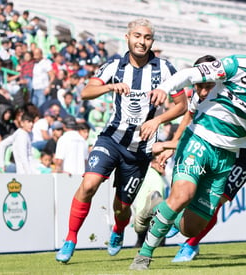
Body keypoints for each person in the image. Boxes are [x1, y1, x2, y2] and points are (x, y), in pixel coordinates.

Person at [130, 24, 246, 270]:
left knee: (191, 227)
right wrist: (164, 88)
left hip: (228, 155)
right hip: (199, 139)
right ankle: (144, 255)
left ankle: (159, 208)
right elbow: (190, 74)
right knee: (183, 194)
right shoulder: (236, 65)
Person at [55, 18, 187, 263]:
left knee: (122, 207)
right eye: (137, 36)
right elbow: (86, 91)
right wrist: (110, 87)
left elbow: (182, 106)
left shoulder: (165, 69)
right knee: (89, 184)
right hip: (111, 139)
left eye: (147, 37)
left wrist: (157, 121)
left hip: (140, 150)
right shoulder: (114, 64)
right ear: (128, 38)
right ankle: (70, 239)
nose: (142, 41)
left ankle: (118, 229)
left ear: (152, 42)